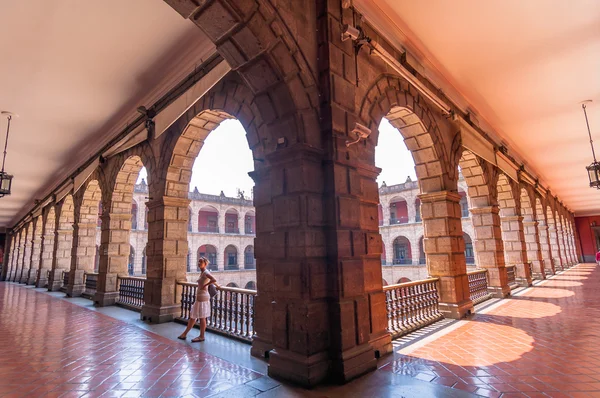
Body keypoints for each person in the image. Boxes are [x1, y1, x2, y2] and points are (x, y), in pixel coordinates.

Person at [178, 257, 219, 342]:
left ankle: (200, 336)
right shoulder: (203, 272)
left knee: (200, 317)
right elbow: (212, 280)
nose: (199, 263)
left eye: (201, 262)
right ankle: (185, 334)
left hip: (203, 297)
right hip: (200, 297)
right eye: (198, 262)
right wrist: (217, 286)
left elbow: (213, 279)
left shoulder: (205, 272)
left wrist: (205, 285)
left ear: (205, 263)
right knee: (195, 316)